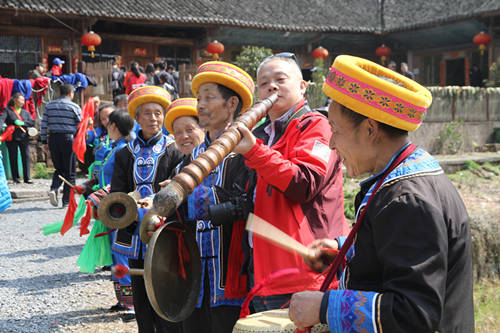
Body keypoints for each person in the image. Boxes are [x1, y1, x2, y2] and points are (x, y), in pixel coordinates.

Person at [288, 55, 474, 333]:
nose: (331, 144)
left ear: (370, 130)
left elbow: (413, 314)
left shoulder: (407, 200)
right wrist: (341, 249)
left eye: (336, 130)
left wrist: (324, 307)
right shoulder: (406, 176)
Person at [233, 53, 348, 311]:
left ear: (302, 86)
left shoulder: (317, 126)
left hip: (304, 272)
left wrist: (254, 151)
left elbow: (305, 183)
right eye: (264, 83)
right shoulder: (260, 133)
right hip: (264, 272)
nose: (271, 87)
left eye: (280, 79)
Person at [177, 61, 255, 333]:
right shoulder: (190, 158)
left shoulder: (248, 153)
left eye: (209, 97)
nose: (200, 105)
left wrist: (185, 196)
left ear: (231, 103)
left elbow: (244, 203)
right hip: (196, 270)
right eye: (199, 98)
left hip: (231, 269)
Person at [110, 86, 184, 333]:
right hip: (133, 232)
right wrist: (128, 211)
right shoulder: (124, 154)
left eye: (158, 113)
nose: (153, 118)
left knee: (165, 289)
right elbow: (117, 194)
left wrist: (156, 202)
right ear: (137, 117)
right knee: (141, 294)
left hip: (163, 230)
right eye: (147, 113)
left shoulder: (174, 151)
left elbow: (178, 188)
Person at [75, 109, 136, 320]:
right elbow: (101, 173)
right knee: (114, 251)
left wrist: (97, 196)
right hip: (109, 207)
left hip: (120, 208)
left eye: (108, 124)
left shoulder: (126, 149)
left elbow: (122, 182)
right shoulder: (114, 147)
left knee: (122, 251)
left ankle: (131, 304)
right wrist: (87, 186)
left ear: (114, 126)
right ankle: (122, 300)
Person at [41, 84, 81, 207]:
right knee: (70, 171)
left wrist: (44, 141)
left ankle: (54, 188)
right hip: (69, 139)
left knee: (59, 168)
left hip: (53, 138)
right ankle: (66, 201)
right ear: (71, 93)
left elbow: (43, 125)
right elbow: (81, 124)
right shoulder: (74, 106)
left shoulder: (49, 106)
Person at [0, 93, 35, 183]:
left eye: (23, 100)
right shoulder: (7, 110)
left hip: (24, 137)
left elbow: (31, 122)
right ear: (15, 100)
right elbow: (1, 120)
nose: (23, 102)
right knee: (13, 157)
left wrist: (23, 123)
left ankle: (27, 178)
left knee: (26, 157)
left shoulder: (25, 112)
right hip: (12, 137)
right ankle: (16, 178)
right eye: (21, 100)